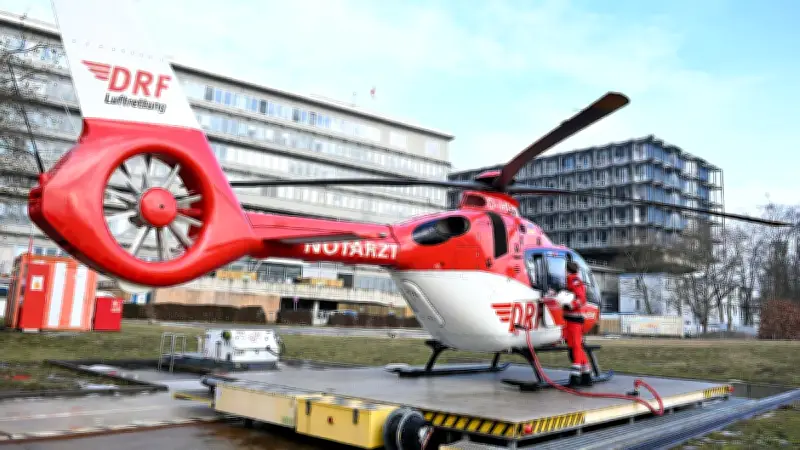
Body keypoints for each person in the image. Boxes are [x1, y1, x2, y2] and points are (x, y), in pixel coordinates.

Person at [562, 260, 592, 387]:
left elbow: (582, 298)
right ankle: (586, 375)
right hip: (570, 320)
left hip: (574, 320)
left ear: (567, 270)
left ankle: (575, 377)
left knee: (575, 347)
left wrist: (570, 305)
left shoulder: (574, 280)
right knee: (576, 346)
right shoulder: (570, 280)